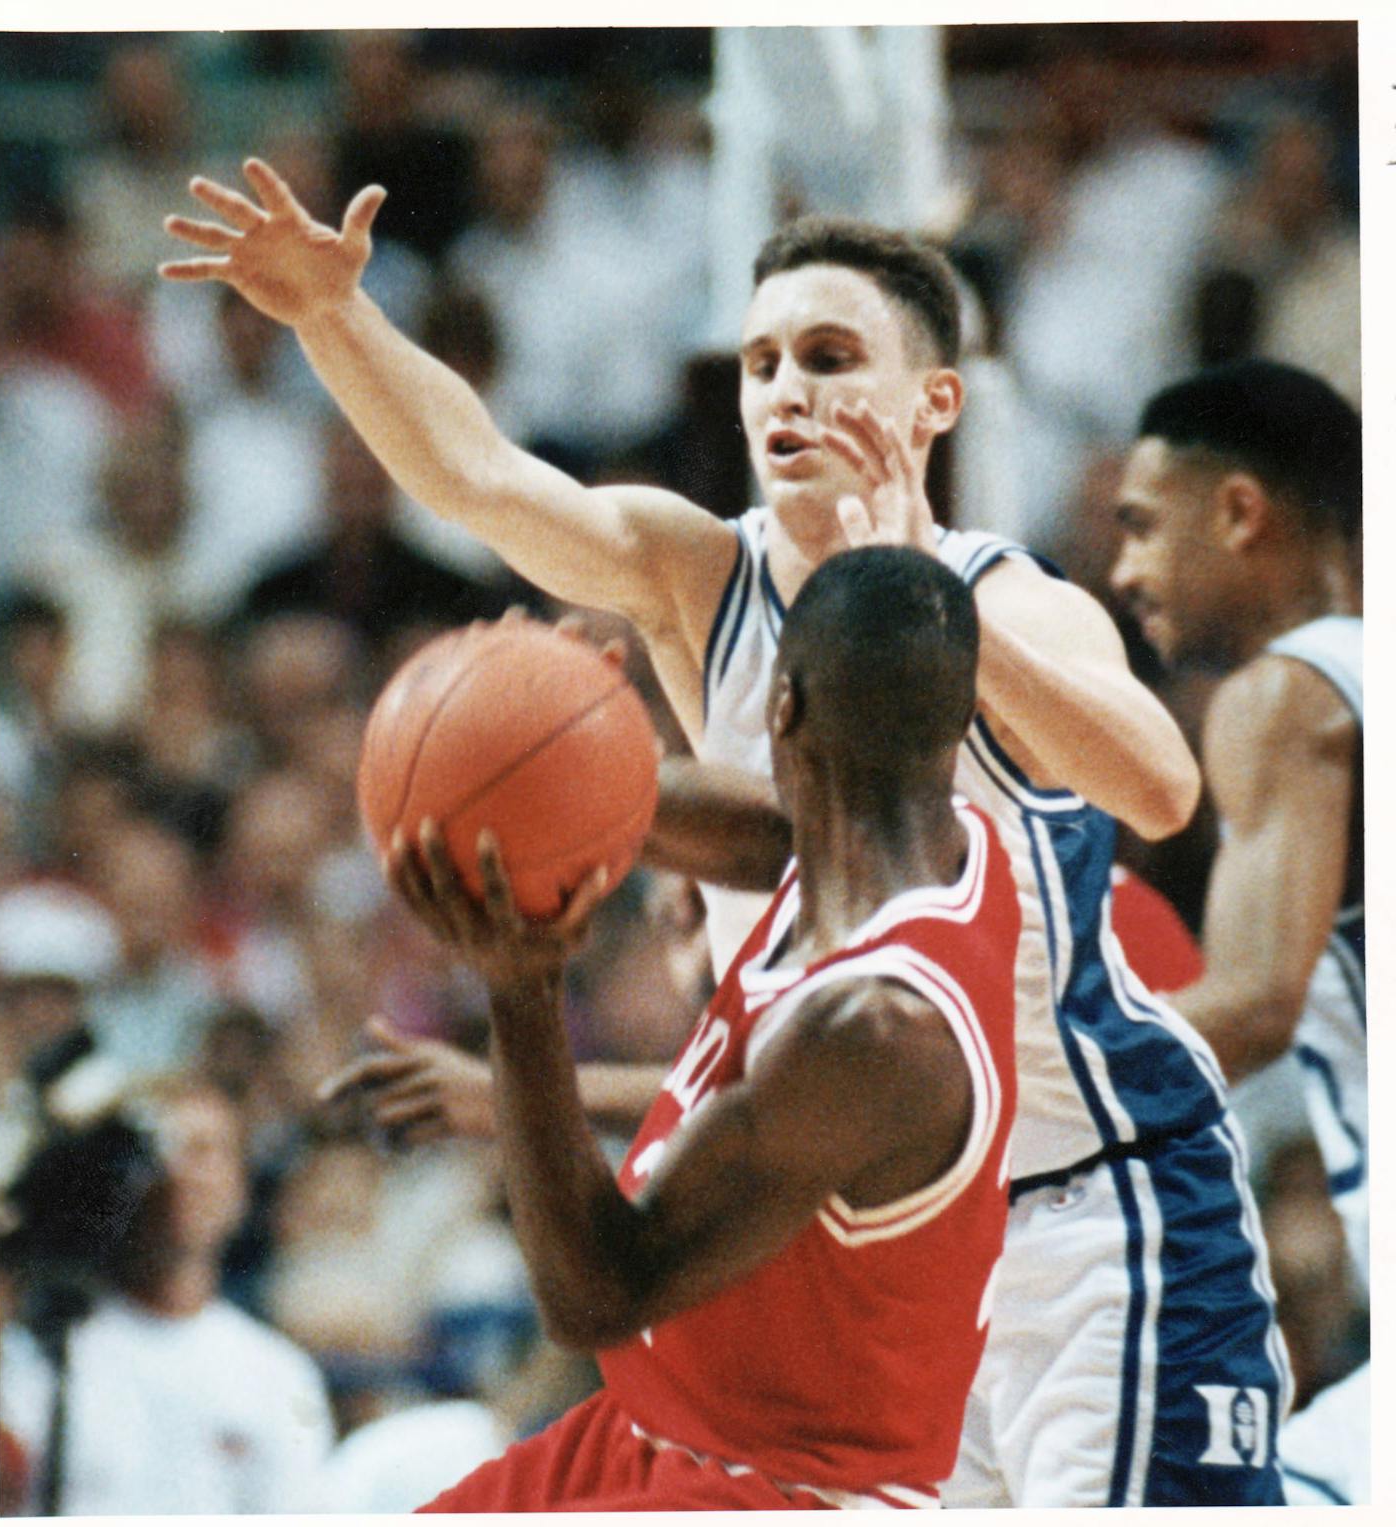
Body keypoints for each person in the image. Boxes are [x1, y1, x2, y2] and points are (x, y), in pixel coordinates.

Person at [163, 164, 1286, 1507]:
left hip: (1091, 1204)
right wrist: (332, 319)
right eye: (760, 363)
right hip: (874, 1243)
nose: (787, 391)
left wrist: (933, 606)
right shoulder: (703, 581)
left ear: (936, 400)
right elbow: (480, 479)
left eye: (828, 355)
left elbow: (1160, 786)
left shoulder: (1009, 602)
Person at [389, 546, 1021, 1509]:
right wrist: (552, 739)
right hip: (650, 1436)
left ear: (784, 708)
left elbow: (592, 1295)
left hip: (778, 1489)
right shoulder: (932, 839)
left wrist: (522, 991)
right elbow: (749, 826)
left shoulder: (878, 1028)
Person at [1109, 358, 1364, 1504]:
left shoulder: (1287, 694)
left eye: (1141, 528)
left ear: (1237, 512)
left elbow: (1253, 1004)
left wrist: (982, 1096)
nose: (1122, 572)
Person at [0, 1075, 334, 1514]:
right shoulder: (39, 1348)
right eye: (160, 1151)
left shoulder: (276, 1375)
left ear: (240, 1186)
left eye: (206, 1152)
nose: (181, 1174)